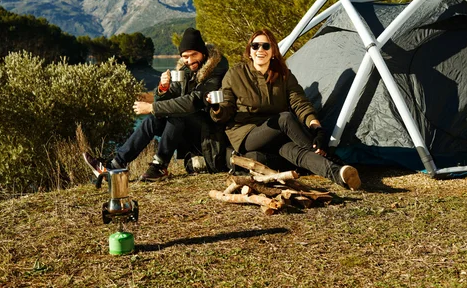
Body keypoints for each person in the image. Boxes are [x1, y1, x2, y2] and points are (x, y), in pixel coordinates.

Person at [209, 28, 361, 190]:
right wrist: (216, 107)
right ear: (250, 51)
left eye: (266, 46)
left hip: (278, 133)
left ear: (273, 51)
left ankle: (340, 174)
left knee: (296, 152)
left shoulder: (283, 75)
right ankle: (327, 155)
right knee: (285, 118)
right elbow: (225, 109)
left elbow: (300, 103)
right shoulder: (235, 74)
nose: (260, 50)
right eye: (255, 46)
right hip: (247, 134)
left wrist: (316, 128)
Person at [83, 27, 229, 181]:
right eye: (185, 56)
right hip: (190, 130)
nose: (190, 60)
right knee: (155, 119)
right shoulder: (185, 71)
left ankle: (159, 166)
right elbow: (164, 101)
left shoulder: (216, 70)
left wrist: (151, 107)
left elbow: (192, 102)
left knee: (177, 113)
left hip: (210, 134)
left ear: (203, 53)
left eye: (194, 55)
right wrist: (162, 88)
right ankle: (115, 164)